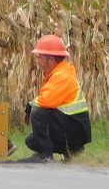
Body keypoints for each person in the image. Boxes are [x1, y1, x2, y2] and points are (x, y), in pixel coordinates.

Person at [21, 34, 91, 162]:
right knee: (32, 141)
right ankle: (71, 151)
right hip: (73, 128)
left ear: (51, 60)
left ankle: (45, 155)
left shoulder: (62, 76)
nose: (38, 61)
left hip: (75, 131)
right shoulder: (58, 74)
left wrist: (29, 106)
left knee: (37, 112)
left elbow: (45, 101)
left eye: (40, 57)